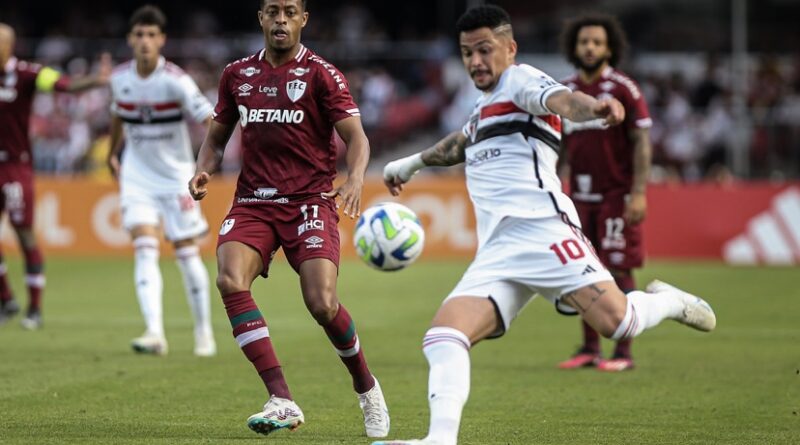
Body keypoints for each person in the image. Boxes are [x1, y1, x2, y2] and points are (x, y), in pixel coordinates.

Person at [374, 5, 715, 445]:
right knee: (443, 336)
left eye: (484, 50)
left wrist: (597, 107)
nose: (476, 61)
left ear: (509, 48)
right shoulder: (482, 108)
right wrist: (411, 163)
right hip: (498, 251)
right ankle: (439, 440)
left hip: (547, 233)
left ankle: (668, 301)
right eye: (466, 53)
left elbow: (566, 101)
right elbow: (458, 142)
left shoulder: (522, 80)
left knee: (621, 324)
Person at [188, 0, 389, 438]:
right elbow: (215, 138)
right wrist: (203, 167)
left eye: (290, 12)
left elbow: (356, 137)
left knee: (322, 303)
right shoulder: (236, 74)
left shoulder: (321, 74)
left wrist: (355, 178)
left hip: (310, 202)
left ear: (303, 19)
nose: (281, 20)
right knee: (228, 280)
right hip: (254, 202)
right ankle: (281, 397)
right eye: (272, 11)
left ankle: (365, 384)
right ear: (261, 18)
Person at [107, 5, 216, 357]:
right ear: (130, 39)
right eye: (139, 35)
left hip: (175, 179)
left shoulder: (176, 80)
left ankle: (203, 332)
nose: (144, 41)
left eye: (151, 35)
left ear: (162, 40)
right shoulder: (120, 79)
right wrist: (112, 151)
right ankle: (155, 331)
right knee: (144, 249)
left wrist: (206, 164)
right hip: (137, 177)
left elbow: (211, 119)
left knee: (186, 254)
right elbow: (117, 114)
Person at [555, 14, 653, 372]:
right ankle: (589, 348)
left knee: (618, 267)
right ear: (574, 47)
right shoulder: (566, 93)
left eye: (597, 42)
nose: (590, 48)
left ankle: (623, 352)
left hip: (617, 194)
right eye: (584, 42)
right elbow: (557, 146)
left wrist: (639, 192)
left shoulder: (624, 89)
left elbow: (641, 140)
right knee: (582, 268)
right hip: (579, 198)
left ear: (609, 47)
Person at [0, 22, 111, 330]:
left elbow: (65, 85)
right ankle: (7, 300)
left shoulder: (26, 73)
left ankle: (34, 308)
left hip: (15, 166)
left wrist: (95, 81)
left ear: (9, 46)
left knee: (24, 233)